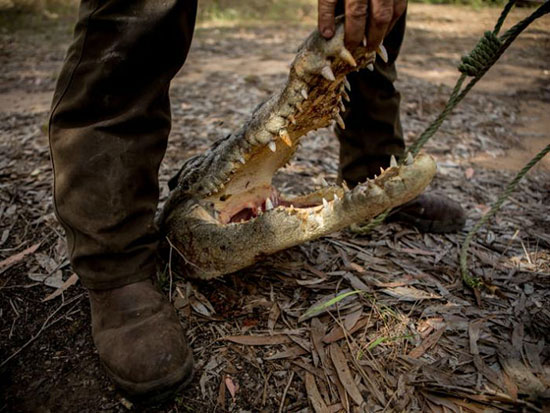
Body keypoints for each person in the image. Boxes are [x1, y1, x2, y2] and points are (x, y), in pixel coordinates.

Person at [48, 0, 464, 401]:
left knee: (362, 22)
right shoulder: (190, 213)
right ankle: (114, 265)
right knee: (135, 16)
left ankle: (373, 161)